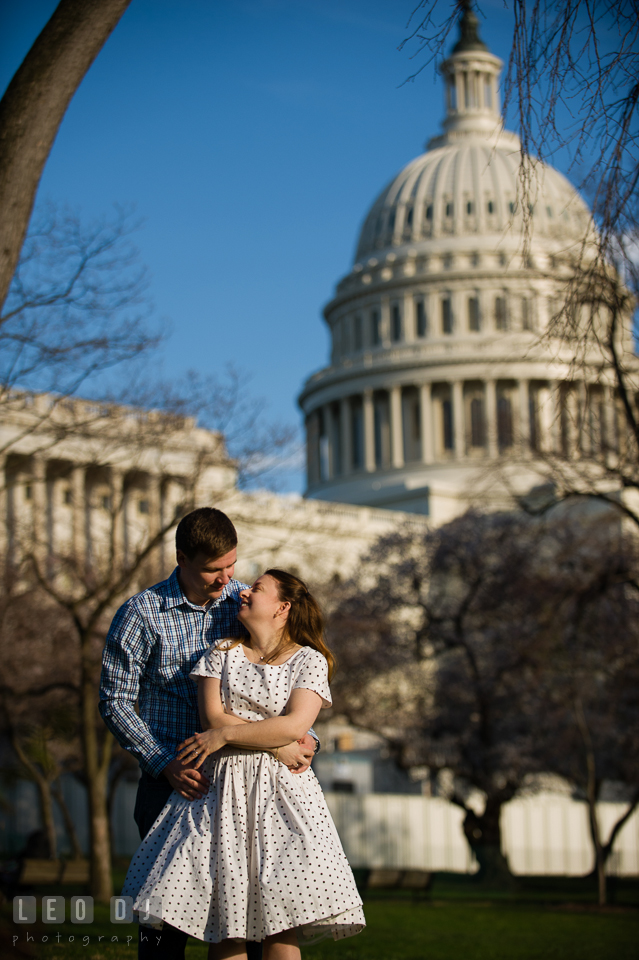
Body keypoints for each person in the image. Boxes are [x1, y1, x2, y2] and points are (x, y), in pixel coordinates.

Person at [99, 509, 316, 960]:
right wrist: (164, 763)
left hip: (249, 789)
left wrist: (306, 736)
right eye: (213, 569)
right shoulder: (141, 614)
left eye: (231, 564)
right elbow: (115, 701)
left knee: (252, 924)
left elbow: (283, 672)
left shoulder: (246, 604)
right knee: (164, 926)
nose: (226, 578)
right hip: (175, 782)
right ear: (181, 559)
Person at [121, 568, 365, 960]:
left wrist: (228, 736)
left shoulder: (309, 660)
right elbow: (211, 720)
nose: (244, 592)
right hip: (222, 795)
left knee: (281, 929)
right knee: (228, 928)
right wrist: (275, 745)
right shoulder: (220, 652)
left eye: (258, 588)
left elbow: (296, 724)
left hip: (283, 800)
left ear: (282, 607)